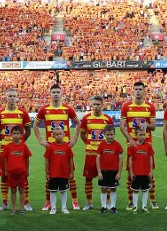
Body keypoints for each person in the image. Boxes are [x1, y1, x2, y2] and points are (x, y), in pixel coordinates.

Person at [34, 83, 80, 211]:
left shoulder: (68, 109)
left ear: (61, 94)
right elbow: (35, 126)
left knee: (71, 175)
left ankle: (75, 201)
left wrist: (74, 139)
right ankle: (48, 202)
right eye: (53, 92)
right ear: (50, 94)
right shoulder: (44, 109)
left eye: (57, 92)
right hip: (51, 148)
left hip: (65, 148)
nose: (55, 94)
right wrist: (41, 141)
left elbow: (78, 123)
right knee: (49, 175)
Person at [0, 88, 32, 212]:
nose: (11, 98)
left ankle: (25, 202)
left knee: (23, 175)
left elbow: (28, 131)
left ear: (17, 97)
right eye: (9, 96)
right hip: (5, 149)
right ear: (6, 97)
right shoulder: (0, 113)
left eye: (13, 96)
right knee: (4, 175)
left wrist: (19, 144)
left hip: (19, 150)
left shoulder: (23, 113)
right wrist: (7, 142)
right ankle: (4, 203)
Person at [120, 81, 158, 209]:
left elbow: (153, 127)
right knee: (130, 173)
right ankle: (131, 201)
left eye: (140, 89)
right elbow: (122, 126)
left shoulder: (150, 107)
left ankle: (152, 200)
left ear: (144, 91)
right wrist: (130, 139)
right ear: (133, 90)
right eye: (135, 89)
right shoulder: (126, 107)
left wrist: (146, 124)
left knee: (149, 173)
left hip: (147, 144)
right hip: (132, 145)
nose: (137, 91)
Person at [78, 96, 113, 210]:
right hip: (90, 153)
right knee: (88, 178)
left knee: (107, 178)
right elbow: (82, 134)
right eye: (94, 104)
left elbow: (110, 136)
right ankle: (89, 202)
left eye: (98, 104)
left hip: (105, 154)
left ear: (102, 104)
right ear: (91, 105)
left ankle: (107, 202)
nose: (96, 106)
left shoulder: (107, 119)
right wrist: (89, 143)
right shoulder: (86, 118)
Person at [43, 128, 75, 215]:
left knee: (63, 191)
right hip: (53, 174)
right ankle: (53, 208)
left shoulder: (67, 147)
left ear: (64, 135)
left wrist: (71, 172)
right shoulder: (50, 147)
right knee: (52, 191)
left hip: (64, 174)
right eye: (56, 134)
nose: (59, 136)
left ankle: (64, 208)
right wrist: (47, 172)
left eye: (60, 134)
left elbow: (70, 160)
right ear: (53, 136)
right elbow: (47, 160)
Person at [96, 124, 124, 213]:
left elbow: (120, 159)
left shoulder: (117, 145)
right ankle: (103, 207)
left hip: (114, 172)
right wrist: (99, 172)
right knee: (103, 188)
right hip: (104, 171)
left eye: (111, 134)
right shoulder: (101, 145)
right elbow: (98, 159)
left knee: (113, 188)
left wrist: (119, 172)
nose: (109, 136)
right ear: (104, 134)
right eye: (107, 134)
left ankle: (112, 206)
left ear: (114, 134)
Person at [5, 126, 32, 215]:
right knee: (12, 190)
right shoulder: (8, 146)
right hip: (11, 173)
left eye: (17, 134)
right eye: (14, 134)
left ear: (21, 135)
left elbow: (27, 158)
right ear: (11, 135)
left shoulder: (24, 145)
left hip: (22, 173)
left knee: (21, 190)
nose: (16, 136)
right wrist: (6, 170)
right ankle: (13, 209)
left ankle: (21, 208)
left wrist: (27, 170)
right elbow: (6, 159)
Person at [127, 129, 155, 214]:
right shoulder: (132, 146)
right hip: (136, 173)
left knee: (145, 190)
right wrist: (131, 172)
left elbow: (150, 158)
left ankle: (144, 207)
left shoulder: (148, 146)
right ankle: (135, 207)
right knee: (135, 190)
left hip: (145, 173)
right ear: (136, 135)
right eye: (140, 135)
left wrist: (150, 171)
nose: (143, 136)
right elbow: (130, 159)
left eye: (144, 134)